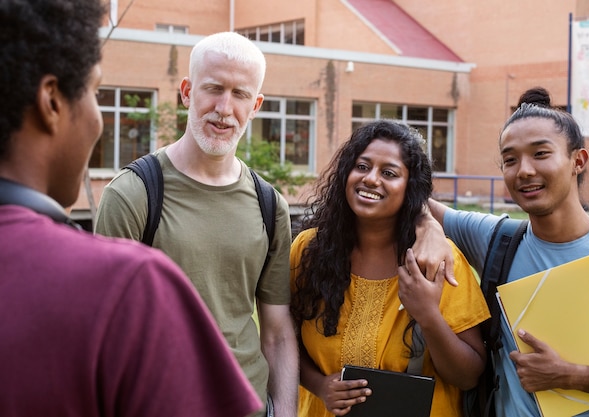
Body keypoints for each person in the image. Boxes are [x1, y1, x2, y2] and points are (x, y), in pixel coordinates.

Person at [0, 1, 262, 416]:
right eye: (96, 92)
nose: (99, 118)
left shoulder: (267, 203)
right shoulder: (128, 281)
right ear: (51, 101)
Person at [94, 31, 298, 417]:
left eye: (239, 95)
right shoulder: (133, 195)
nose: (224, 108)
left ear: (255, 106)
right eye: (214, 88)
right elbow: (101, 332)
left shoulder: (271, 206)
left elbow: (276, 332)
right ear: (187, 92)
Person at [416, 87, 589, 416]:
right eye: (510, 160)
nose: (524, 171)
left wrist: (570, 375)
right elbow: (415, 201)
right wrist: (429, 227)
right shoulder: (496, 238)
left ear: (577, 161)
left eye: (540, 154)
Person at [289, 120, 490, 417]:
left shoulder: (437, 260)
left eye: (389, 173)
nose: (371, 179)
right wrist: (319, 385)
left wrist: (428, 316)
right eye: (362, 166)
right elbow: (282, 339)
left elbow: (469, 375)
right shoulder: (308, 250)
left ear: (409, 187)